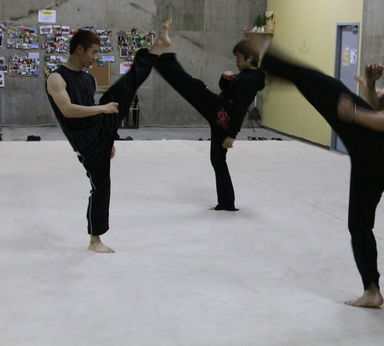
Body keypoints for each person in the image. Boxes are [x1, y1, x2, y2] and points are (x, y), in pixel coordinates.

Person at [258, 22, 384, 308]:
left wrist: (352, 114)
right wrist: (371, 85)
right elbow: (378, 109)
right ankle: (372, 291)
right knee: (359, 223)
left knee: (327, 88)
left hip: (380, 150)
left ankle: (268, 60)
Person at [45, 20, 172, 253]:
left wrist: (109, 138)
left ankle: (157, 48)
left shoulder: (88, 78)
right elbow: (68, 110)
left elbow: (92, 110)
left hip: (99, 131)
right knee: (101, 186)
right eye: (93, 52)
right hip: (85, 142)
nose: (95, 57)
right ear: (79, 49)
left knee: (126, 86)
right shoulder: (56, 78)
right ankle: (95, 240)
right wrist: (103, 110)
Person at [153, 36, 265, 212]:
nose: (236, 62)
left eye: (238, 58)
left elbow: (241, 108)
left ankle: (166, 63)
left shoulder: (250, 80)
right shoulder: (246, 76)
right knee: (217, 159)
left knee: (194, 88)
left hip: (222, 115)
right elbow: (226, 90)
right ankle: (226, 203)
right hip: (222, 113)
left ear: (249, 58)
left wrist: (232, 135)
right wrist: (225, 79)